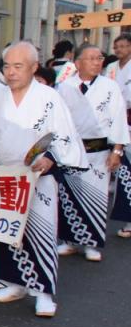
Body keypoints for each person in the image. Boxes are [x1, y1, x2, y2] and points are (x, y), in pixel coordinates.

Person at [0, 42, 87, 318]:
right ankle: (13, 283)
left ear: (34, 67)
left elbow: (64, 136)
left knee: (41, 232)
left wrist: (51, 157)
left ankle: (44, 293)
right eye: (7, 66)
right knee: (6, 230)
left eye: (18, 66)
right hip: (5, 175)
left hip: (38, 175)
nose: (11, 72)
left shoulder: (49, 97)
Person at [54, 45, 128, 262]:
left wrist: (117, 150)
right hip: (71, 150)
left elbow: (118, 120)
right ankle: (67, 240)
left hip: (98, 151)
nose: (97, 62)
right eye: (92, 58)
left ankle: (91, 243)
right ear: (78, 63)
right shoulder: (64, 86)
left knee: (95, 196)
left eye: (100, 58)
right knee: (67, 196)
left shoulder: (110, 87)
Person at [104, 34, 131, 237]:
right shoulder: (111, 68)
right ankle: (127, 218)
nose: (119, 50)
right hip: (115, 122)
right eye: (116, 46)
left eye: (123, 46)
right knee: (124, 173)